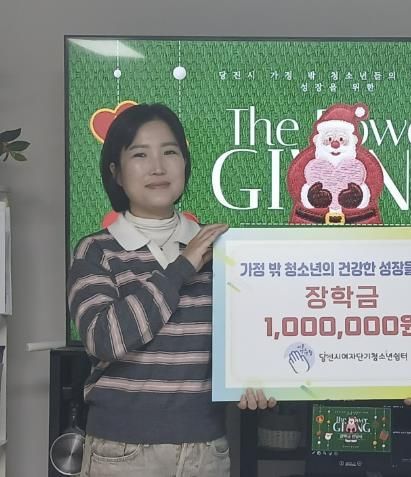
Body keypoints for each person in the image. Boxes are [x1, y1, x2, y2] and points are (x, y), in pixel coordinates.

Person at [67, 103, 275, 477]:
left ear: (185, 163)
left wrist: (257, 380)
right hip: (120, 454)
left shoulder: (222, 250)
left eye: (169, 152)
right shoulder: (96, 251)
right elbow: (103, 339)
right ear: (115, 171)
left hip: (205, 453)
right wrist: (182, 267)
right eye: (139, 155)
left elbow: (248, 342)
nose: (157, 167)